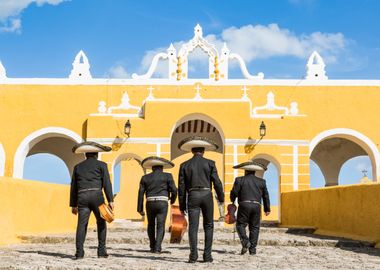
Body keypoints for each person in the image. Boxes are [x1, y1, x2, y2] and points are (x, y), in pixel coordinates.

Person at [178, 136, 224, 263]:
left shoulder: (184, 165)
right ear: (203, 151)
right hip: (206, 195)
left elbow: (181, 188)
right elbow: (217, 182)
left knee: (193, 226)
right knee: (209, 225)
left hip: (192, 195)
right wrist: (221, 198)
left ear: (192, 151)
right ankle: (207, 255)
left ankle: (193, 255)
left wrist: (182, 206)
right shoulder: (210, 163)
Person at [70, 141, 114, 259]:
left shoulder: (77, 167)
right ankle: (101, 251)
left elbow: (73, 186)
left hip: (82, 197)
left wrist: (73, 205)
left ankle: (79, 253)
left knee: (81, 225)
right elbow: (107, 183)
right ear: (97, 155)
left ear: (85, 155)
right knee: (101, 223)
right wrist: (110, 200)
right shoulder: (102, 165)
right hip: (97, 196)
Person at [137, 156, 177, 253]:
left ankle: (152, 246)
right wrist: (172, 200)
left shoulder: (145, 177)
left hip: (150, 202)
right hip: (162, 202)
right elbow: (174, 190)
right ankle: (158, 248)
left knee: (151, 225)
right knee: (160, 225)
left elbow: (141, 193)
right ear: (162, 168)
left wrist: (140, 208)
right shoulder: (168, 176)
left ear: (152, 168)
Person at [230, 161, 270, 255]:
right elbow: (266, 196)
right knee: (255, 228)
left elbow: (234, 193)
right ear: (255, 172)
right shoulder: (262, 182)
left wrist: (232, 200)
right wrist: (267, 209)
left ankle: (245, 241)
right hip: (256, 206)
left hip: (244, 205)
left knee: (240, 225)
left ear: (245, 171)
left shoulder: (239, 180)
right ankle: (252, 250)